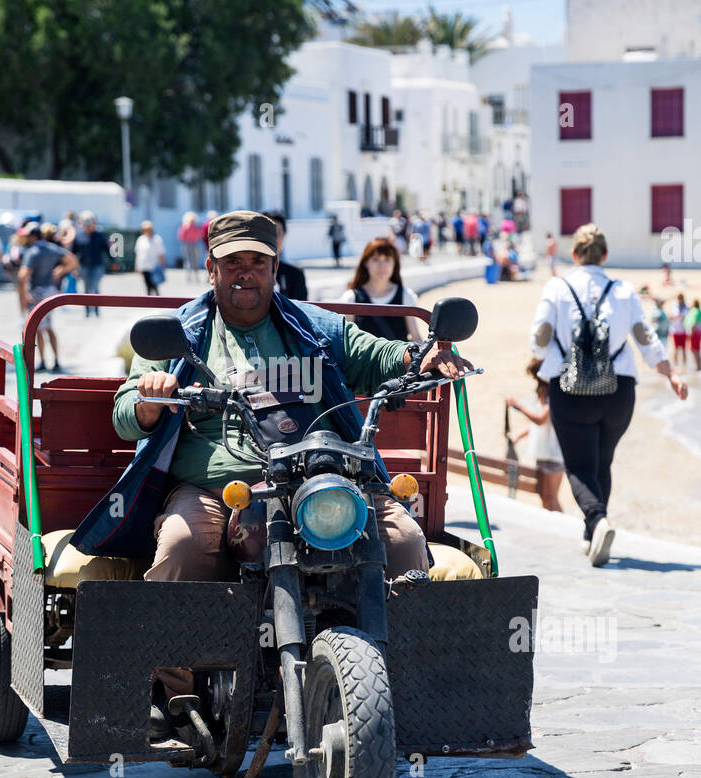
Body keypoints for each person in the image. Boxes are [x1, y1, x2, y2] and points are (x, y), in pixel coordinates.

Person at [71, 211, 472, 730]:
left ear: (274, 266)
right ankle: (177, 696)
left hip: (321, 478)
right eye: (232, 261)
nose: (245, 272)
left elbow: (377, 354)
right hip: (220, 488)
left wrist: (423, 356)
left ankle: (404, 680)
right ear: (210, 268)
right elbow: (126, 414)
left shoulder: (313, 326)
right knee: (179, 548)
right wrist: (151, 401)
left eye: (257, 261)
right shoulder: (185, 335)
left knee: (402, 542)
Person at [530, 223, 687, 566]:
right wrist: (671, 373)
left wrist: (542, 356)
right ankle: (593, 535)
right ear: (605, 256)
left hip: (569, 389)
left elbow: (539, 338)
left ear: (574, 255)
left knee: (578, 466)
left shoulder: (557, 287)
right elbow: (645, 339)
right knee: (602, 461)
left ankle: (598, 520)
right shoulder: (623, 291)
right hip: (619, 391)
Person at [18, 223, 79, 373]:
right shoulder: (52, 248)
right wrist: (60, 270)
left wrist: (23, 295)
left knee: (37, 328)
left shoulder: (32, 252)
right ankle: (56, 360)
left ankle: (43, 361)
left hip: (37, 291)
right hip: (51, 291)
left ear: (32, 236)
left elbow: (22, 275)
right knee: (48, 327)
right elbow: (73, 261)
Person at [506, 361, 565, 512]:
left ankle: (565, 529)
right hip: (543, 451)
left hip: (554, 453)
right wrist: (518, 436)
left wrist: (518, 406)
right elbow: (538, 426)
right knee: (544, 496)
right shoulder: (544, 395)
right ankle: (554, 528)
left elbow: (541, 420)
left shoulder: (554, 395)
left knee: (551, 497)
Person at [340, 237, 422, 342]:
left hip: (397, 359)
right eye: (375, 259)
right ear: (365, 263)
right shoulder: (351, 298)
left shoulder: (405, 296)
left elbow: (416, 337)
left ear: (395, 263)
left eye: (387, 260)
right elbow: (346, 340)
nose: (382, 266)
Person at [267, 210, 308, 300]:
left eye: (278, 233)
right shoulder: (244, 273)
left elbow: (300, 310)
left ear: (284, 235)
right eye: (268, 233)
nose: (273, 238)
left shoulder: (295, 275)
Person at [74, 212, 106, 315]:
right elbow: (73, 252)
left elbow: (106, 249)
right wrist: (73, 268)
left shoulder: (99, 236)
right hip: (84, 266)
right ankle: (87, 310)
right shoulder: (79, 236)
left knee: (96, 287)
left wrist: (114, 262)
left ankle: (96, 310)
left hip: (97, 265)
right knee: (86, 288)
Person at [134, 221, 166, 296]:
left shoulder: (157, 239)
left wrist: (162, 265)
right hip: (144, 265)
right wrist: (136, 266)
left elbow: (161, 253)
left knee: (154, 283)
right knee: (147, 284)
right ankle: (148, 299)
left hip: (153, 265)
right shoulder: (141, 239)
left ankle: (157, 298)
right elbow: (138, 253)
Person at [178, 211, 204, 280]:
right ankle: (196, 276)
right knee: (195, 260)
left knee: (188, 260)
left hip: (186, 244)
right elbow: (200, 235)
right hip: (194, 244)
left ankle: (189, 276)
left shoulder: (184, 227)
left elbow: (180, 236)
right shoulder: (195, 227)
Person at [669, 292, 688, 367]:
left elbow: (688, 318)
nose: (680, 300)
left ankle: (684, 365)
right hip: (675, 330)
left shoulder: (687, 307)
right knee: (676, 348)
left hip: (683, 330)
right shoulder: (674, 306)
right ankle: (675, 364)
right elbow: (670, 317)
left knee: (683, 349)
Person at [684, 297, 701, 371]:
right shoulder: (698, 311)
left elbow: (693, 323)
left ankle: (698, 366)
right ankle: (698, 366)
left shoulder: (694, 311)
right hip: (698, 332)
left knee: (694, 349)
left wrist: (691, 333)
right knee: (696, 349)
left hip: (695, 333)